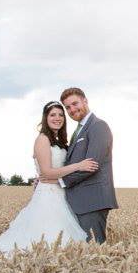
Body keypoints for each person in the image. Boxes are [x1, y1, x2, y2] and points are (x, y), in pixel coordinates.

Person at [0, 101, 99, 257]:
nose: (57, 118)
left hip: (61, 194)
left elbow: (53, 172)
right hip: (47, 196)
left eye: (61, 115)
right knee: (45, 239)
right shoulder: (42, 139)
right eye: (52, 115)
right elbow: (47, 173)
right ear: (45, 118)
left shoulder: (60, 142)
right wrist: (78, 166)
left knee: (62, 242)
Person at [39, 87, 118, 243]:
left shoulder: (98, 126)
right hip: (77, 202)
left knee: (93, 251)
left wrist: (59, 181)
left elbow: (92, 165)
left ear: (85, 101)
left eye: (75, 104)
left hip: (92, 201)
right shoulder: (79, 130)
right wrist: (46, 177)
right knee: (80, 252)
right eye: (68, 107)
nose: (72, 110)